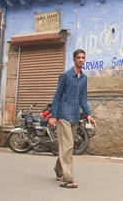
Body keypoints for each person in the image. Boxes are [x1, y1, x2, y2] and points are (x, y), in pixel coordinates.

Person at [49, 49, 96, 189]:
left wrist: (88, 114)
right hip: (63, 115)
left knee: (66, 147)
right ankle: (67, 179)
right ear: (74, 59)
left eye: (83, 58)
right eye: (78, 58)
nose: (81, 60)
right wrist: (53, 116)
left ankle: (58, 169)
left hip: (75, 116)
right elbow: (57, 96)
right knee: (68, 146)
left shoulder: (83, 78)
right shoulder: (65, 76)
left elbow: (83, 98)